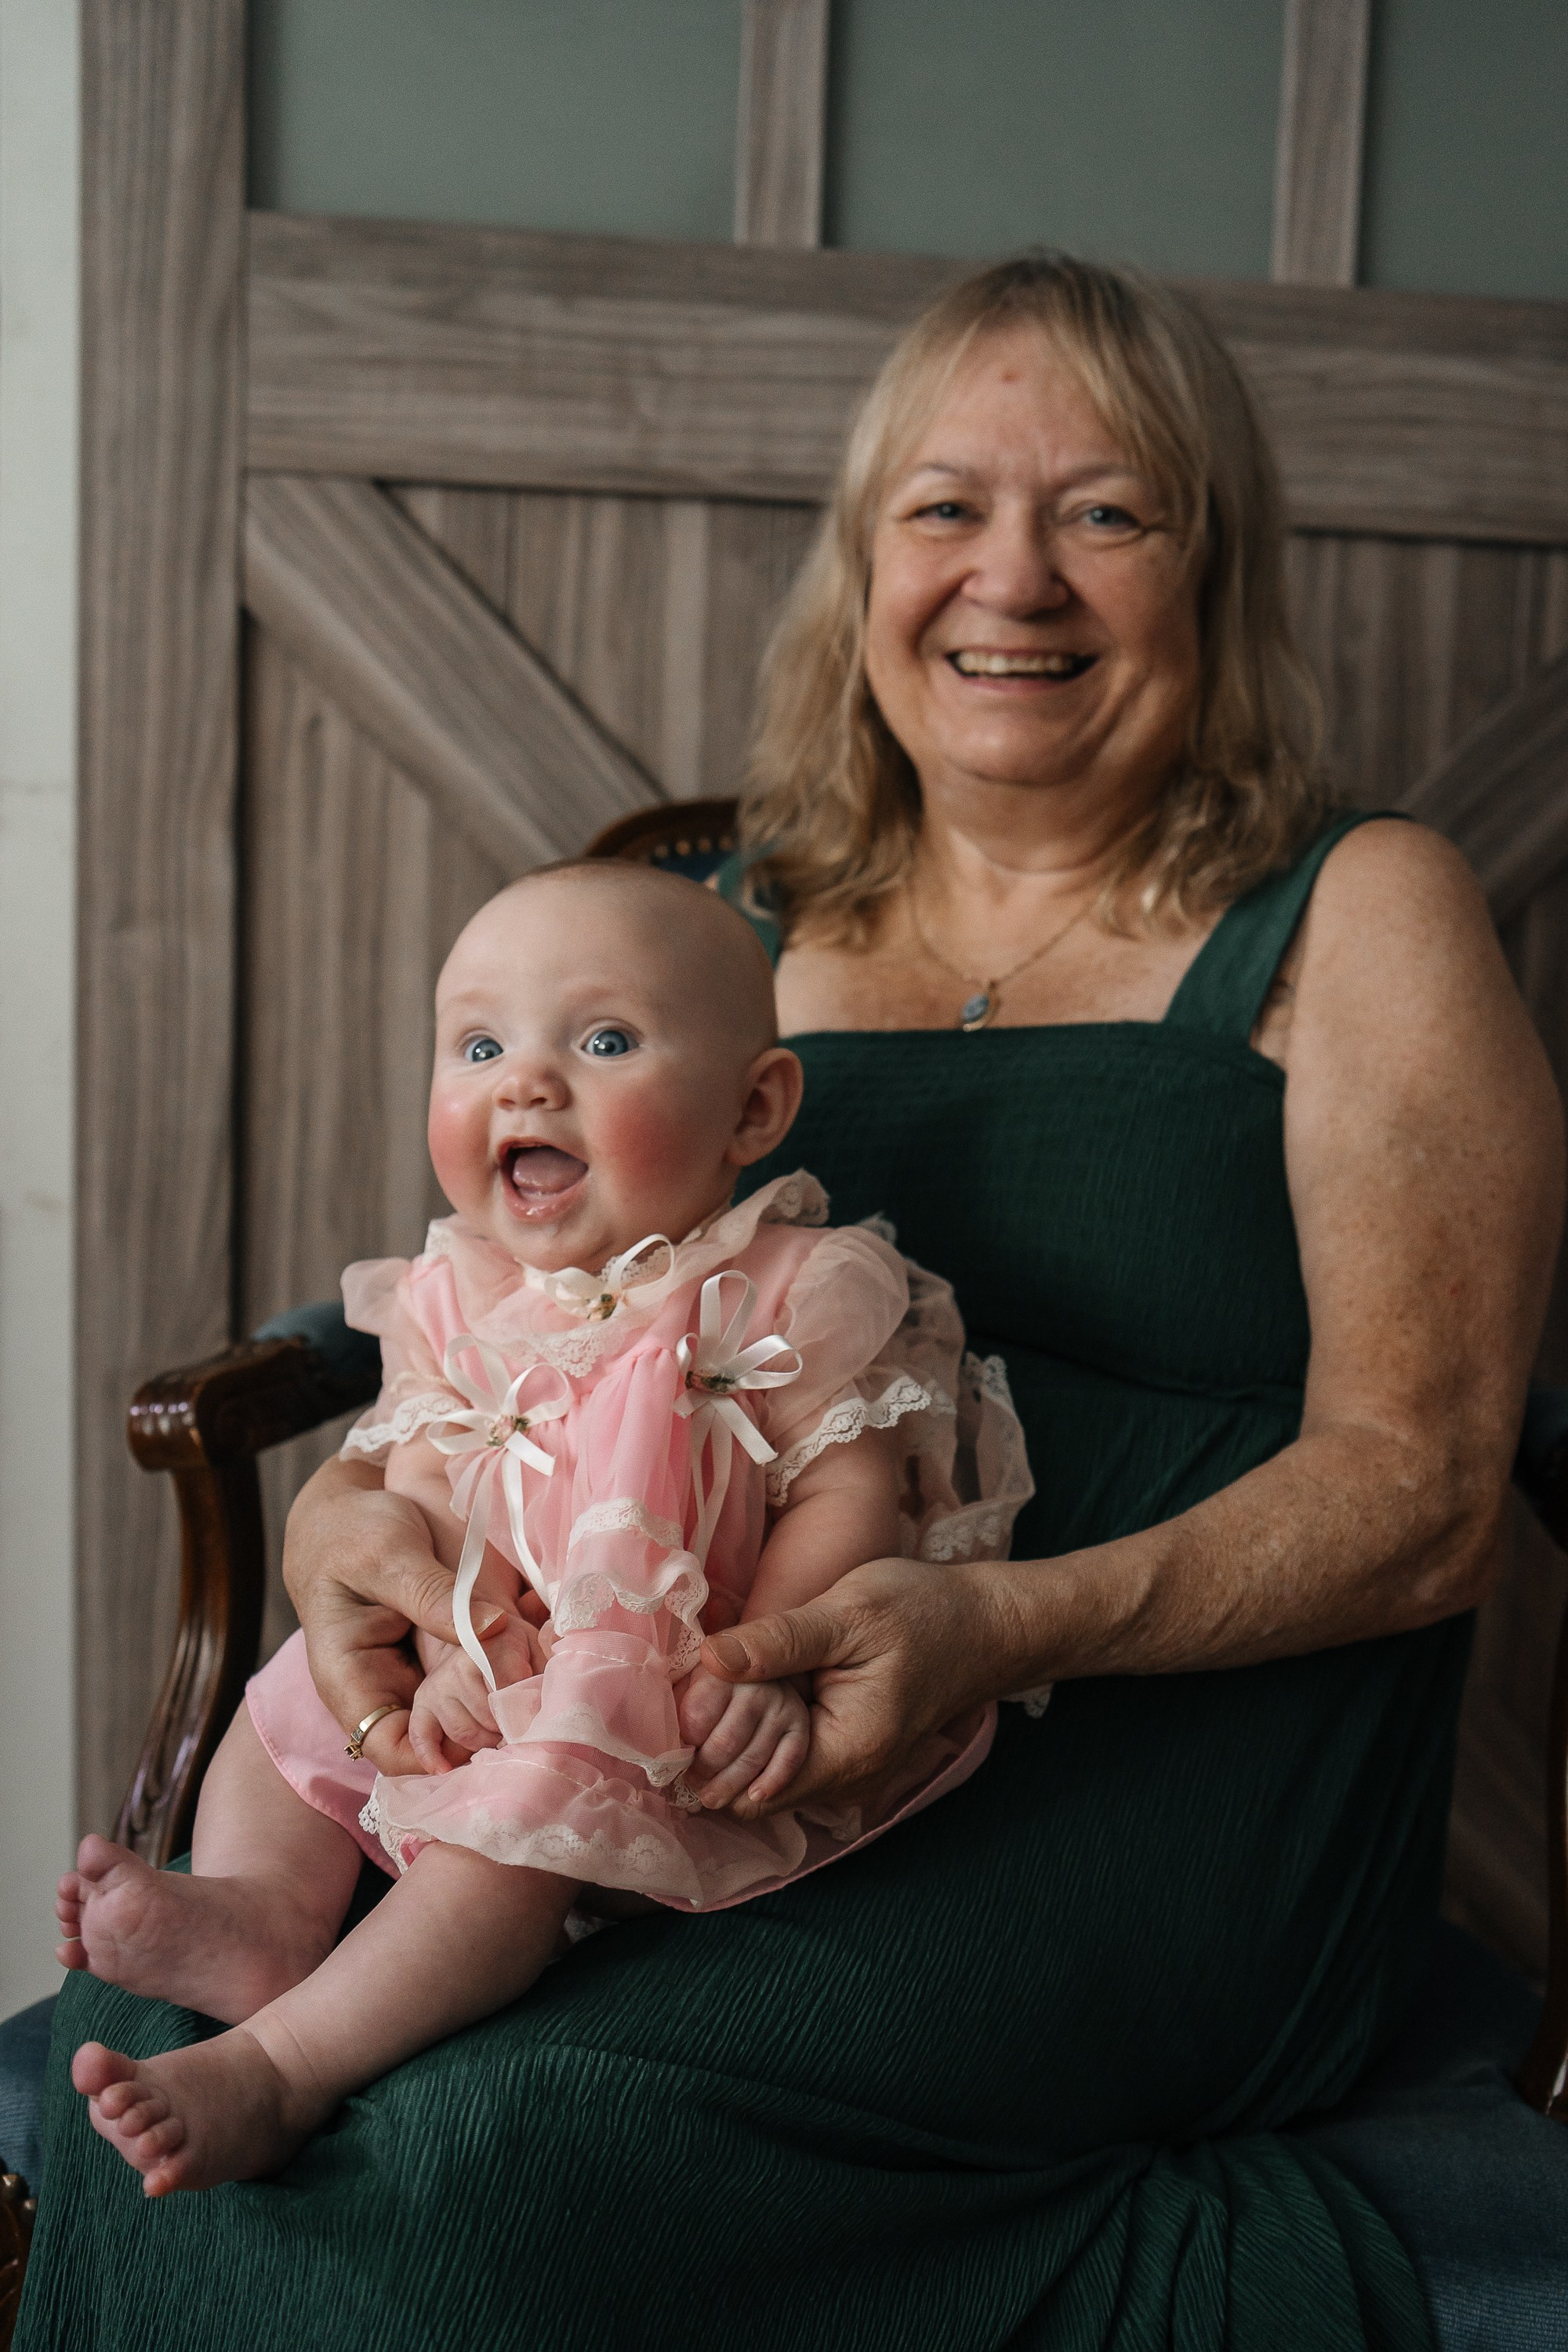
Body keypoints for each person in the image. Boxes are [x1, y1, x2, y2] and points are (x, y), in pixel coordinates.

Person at [19, 255, 1563, 2352]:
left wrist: (997, 1625)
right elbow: (502, 1327)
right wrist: (342, 1526)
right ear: (863, 565)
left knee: (484, 2157)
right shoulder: (716, 930)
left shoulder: (1358, 912)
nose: (1011, 578)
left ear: (1214, 567)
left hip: (1157, 1782)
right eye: (945, 508)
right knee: (182, 2039)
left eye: (1106, 511)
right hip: (684, 1716)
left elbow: (1428, 1491)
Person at [50, 863, 1028, 2198]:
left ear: (753, 1109)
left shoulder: (787, 1284)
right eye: (478, 1046)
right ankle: (261, 1909)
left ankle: (284, 2067)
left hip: (661, 1704)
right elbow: (423, 1483)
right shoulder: (454, 1292)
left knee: (512, 1843)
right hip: (483, 1650)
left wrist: (774, 1658)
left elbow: (845, 1494)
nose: (525, 1083)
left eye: (605, 1041)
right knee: (289, 1708)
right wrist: (442, 1642)